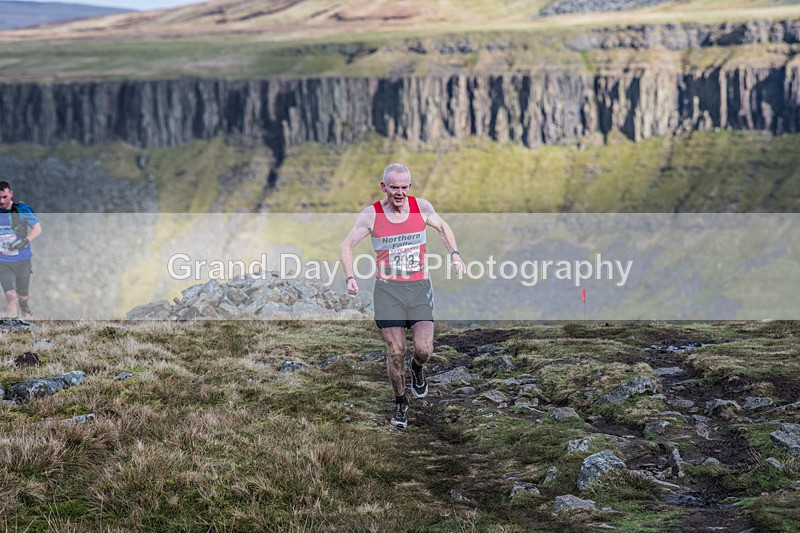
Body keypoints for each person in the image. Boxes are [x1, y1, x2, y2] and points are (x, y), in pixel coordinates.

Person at [341, 163, 465, 428]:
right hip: (388, 292)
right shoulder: (371, 215)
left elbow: (443, 228)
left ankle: (417, 368)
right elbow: (347, 244)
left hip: (419, 289)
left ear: (410, 186)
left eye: (404, 187)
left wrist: (454, 255)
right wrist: (351, 277)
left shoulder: (421, 207)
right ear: (383, 187)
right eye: (393, 187)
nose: (399, 193)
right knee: (396, 350)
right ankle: (401, 402)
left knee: (423, 349)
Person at [0, 181, 41, 317]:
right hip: (3, 260)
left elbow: (37, 228)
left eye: (4, 197)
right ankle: (13, 327)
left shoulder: (22, 209)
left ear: (11, 194)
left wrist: (25, 241)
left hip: (22, 259)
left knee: (22, 295)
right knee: (10, 295)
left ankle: (24, 307)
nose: (1, 201)